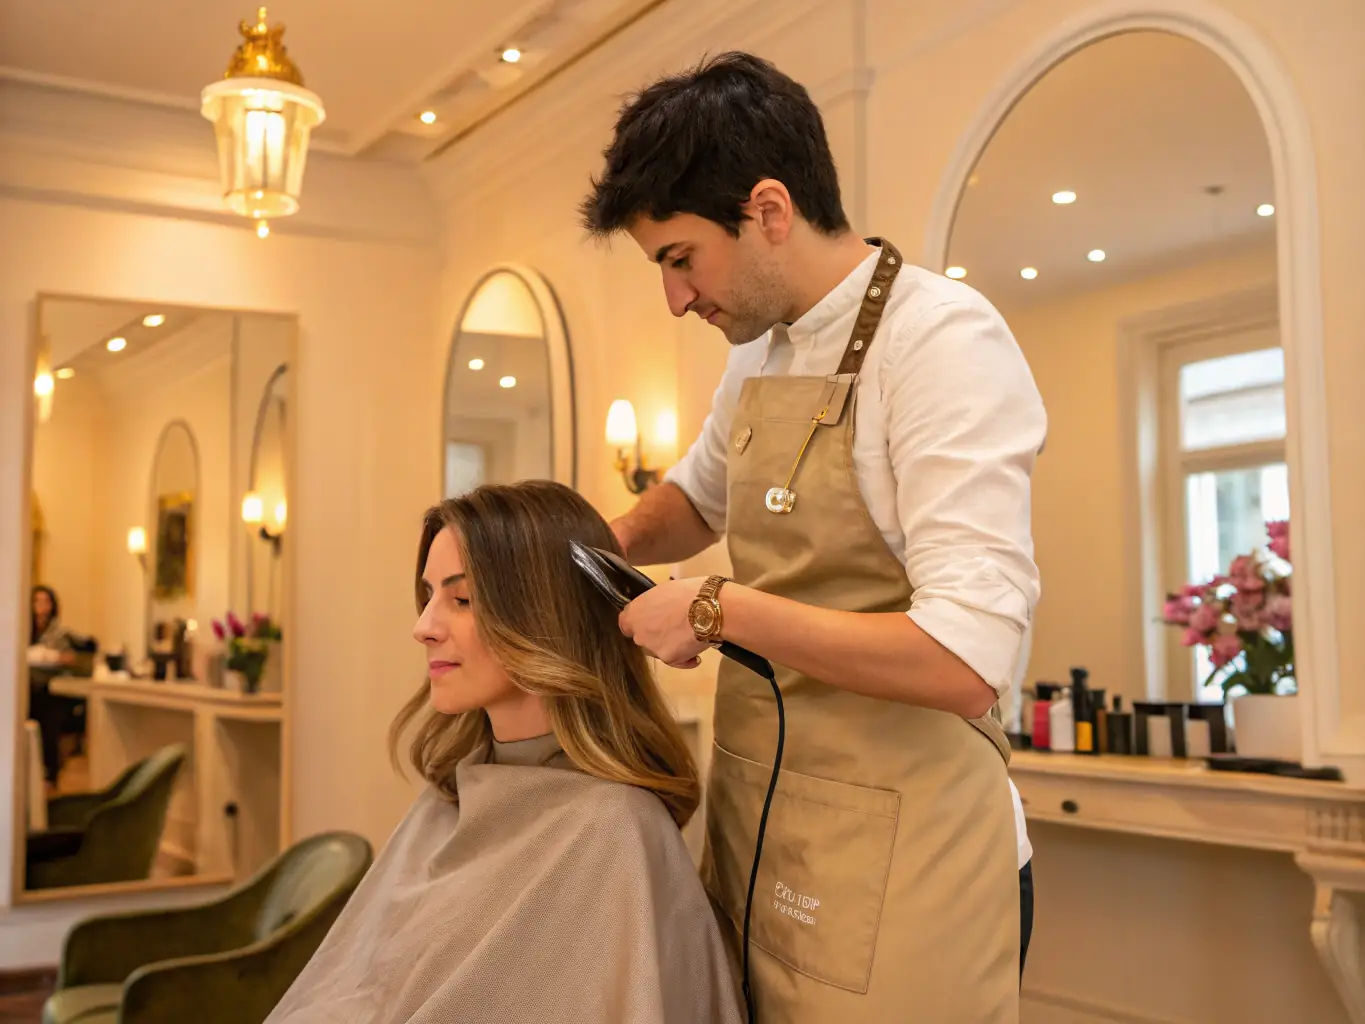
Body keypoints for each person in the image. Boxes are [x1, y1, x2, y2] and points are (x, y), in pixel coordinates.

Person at [580, 52, 1045, 1019]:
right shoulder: (759, 354)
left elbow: (966, 659)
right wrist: (581, 541)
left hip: (912, 844)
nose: (674, 298)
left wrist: (715, 607)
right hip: (765, 817)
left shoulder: (941, 342)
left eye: (679, 259)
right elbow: (694, 502)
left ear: (769, 210)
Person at [266, 481, 742, 1024]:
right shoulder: (457, 791)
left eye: (461, 600)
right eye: (429, 597)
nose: (423, 627)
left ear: (544, 615)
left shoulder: (612, 830)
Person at [28, 585, 74, 788]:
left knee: (49, 733)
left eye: (46, 601)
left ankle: (51, 775)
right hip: (29, 686)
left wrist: (50, 657)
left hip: (50, 688)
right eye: (37, 601)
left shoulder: (59, 632)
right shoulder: (25, 630)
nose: (41, 606)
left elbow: (68, 658)